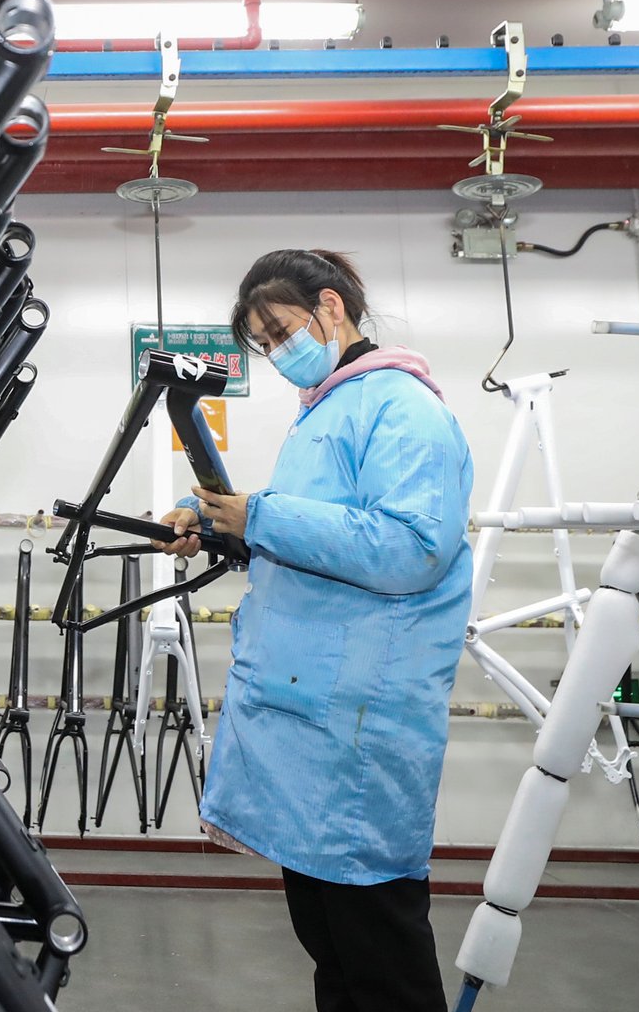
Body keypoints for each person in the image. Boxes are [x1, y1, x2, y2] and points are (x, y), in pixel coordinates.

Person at [155, 249, 473, 1012]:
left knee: (380, 958)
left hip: (361, 716)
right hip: (316, 717)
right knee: (333, 950)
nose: (277, 352)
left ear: (331, 307)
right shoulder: (326, 411)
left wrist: (261, 517)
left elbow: (411, 548)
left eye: (281, 331)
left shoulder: (402, 406)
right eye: (265, 344)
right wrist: (219, 522)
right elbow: (318, 533)